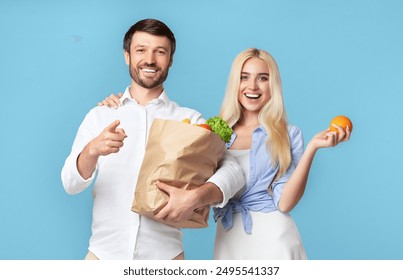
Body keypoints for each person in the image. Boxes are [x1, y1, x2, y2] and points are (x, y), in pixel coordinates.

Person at [61, 19, 244, 260]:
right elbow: (70, 184)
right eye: (141, 50)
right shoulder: (101, 115)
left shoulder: (189, 119)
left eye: (160, 52)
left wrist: (197, 197)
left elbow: (234, 172)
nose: (150, 59)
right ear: (127, 56)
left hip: (167, 259)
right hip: (102, 258)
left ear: (170, 60)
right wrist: (92, 150)